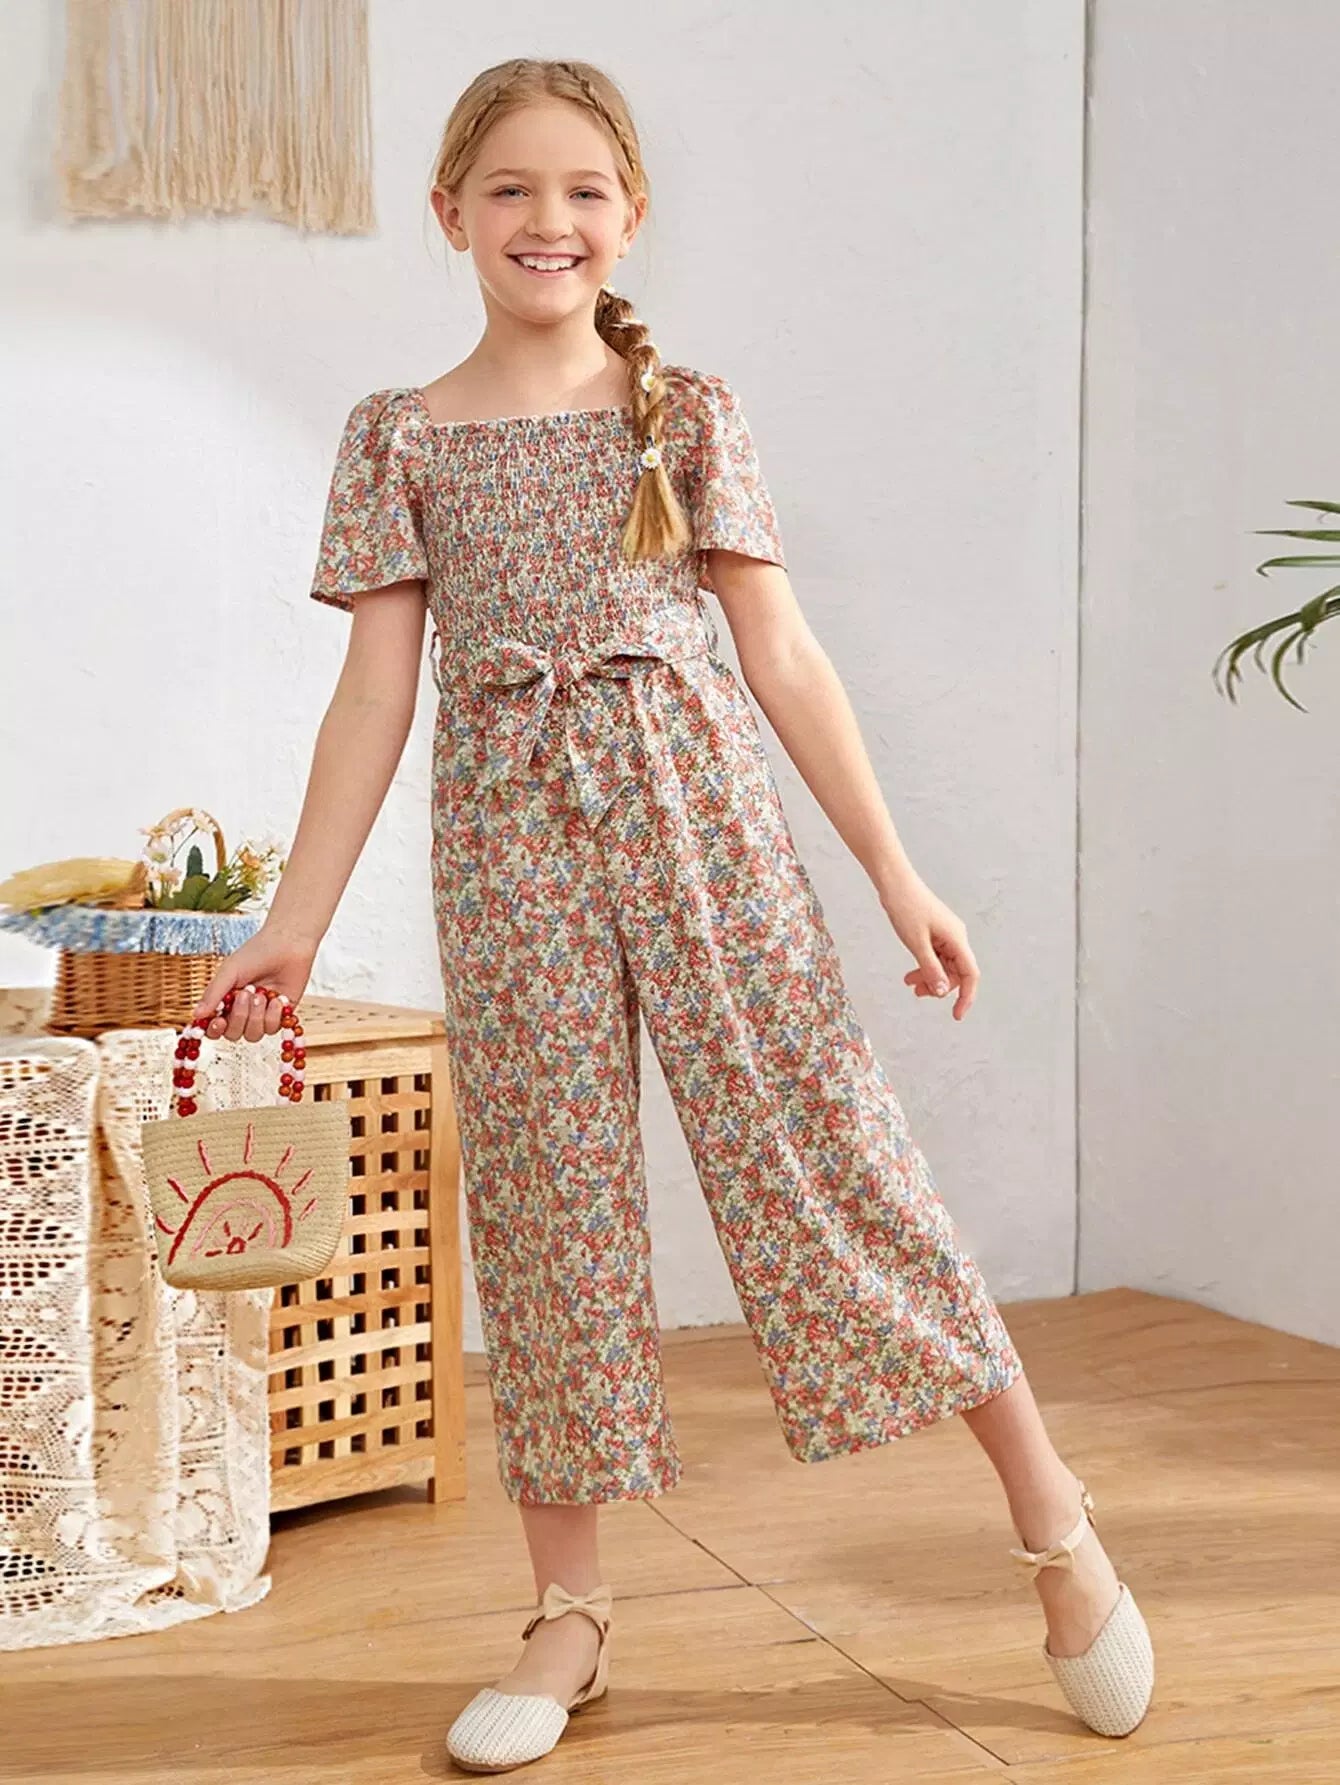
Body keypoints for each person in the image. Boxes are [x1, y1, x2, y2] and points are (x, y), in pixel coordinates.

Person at [190, 55, 1154, 1777]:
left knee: (832, 1151)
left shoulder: (687, 410)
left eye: (581, 191)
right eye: (509, 189)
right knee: (549, 1202)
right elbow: (373, 697)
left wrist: (895, 870)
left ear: (630, 215)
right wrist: (294, 921)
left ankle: (1053, 1518)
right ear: (448, 214)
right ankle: (568, 1613)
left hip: (704, 822)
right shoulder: (398, 433)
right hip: (510, 842)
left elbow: (782, 652)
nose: (545, 220)